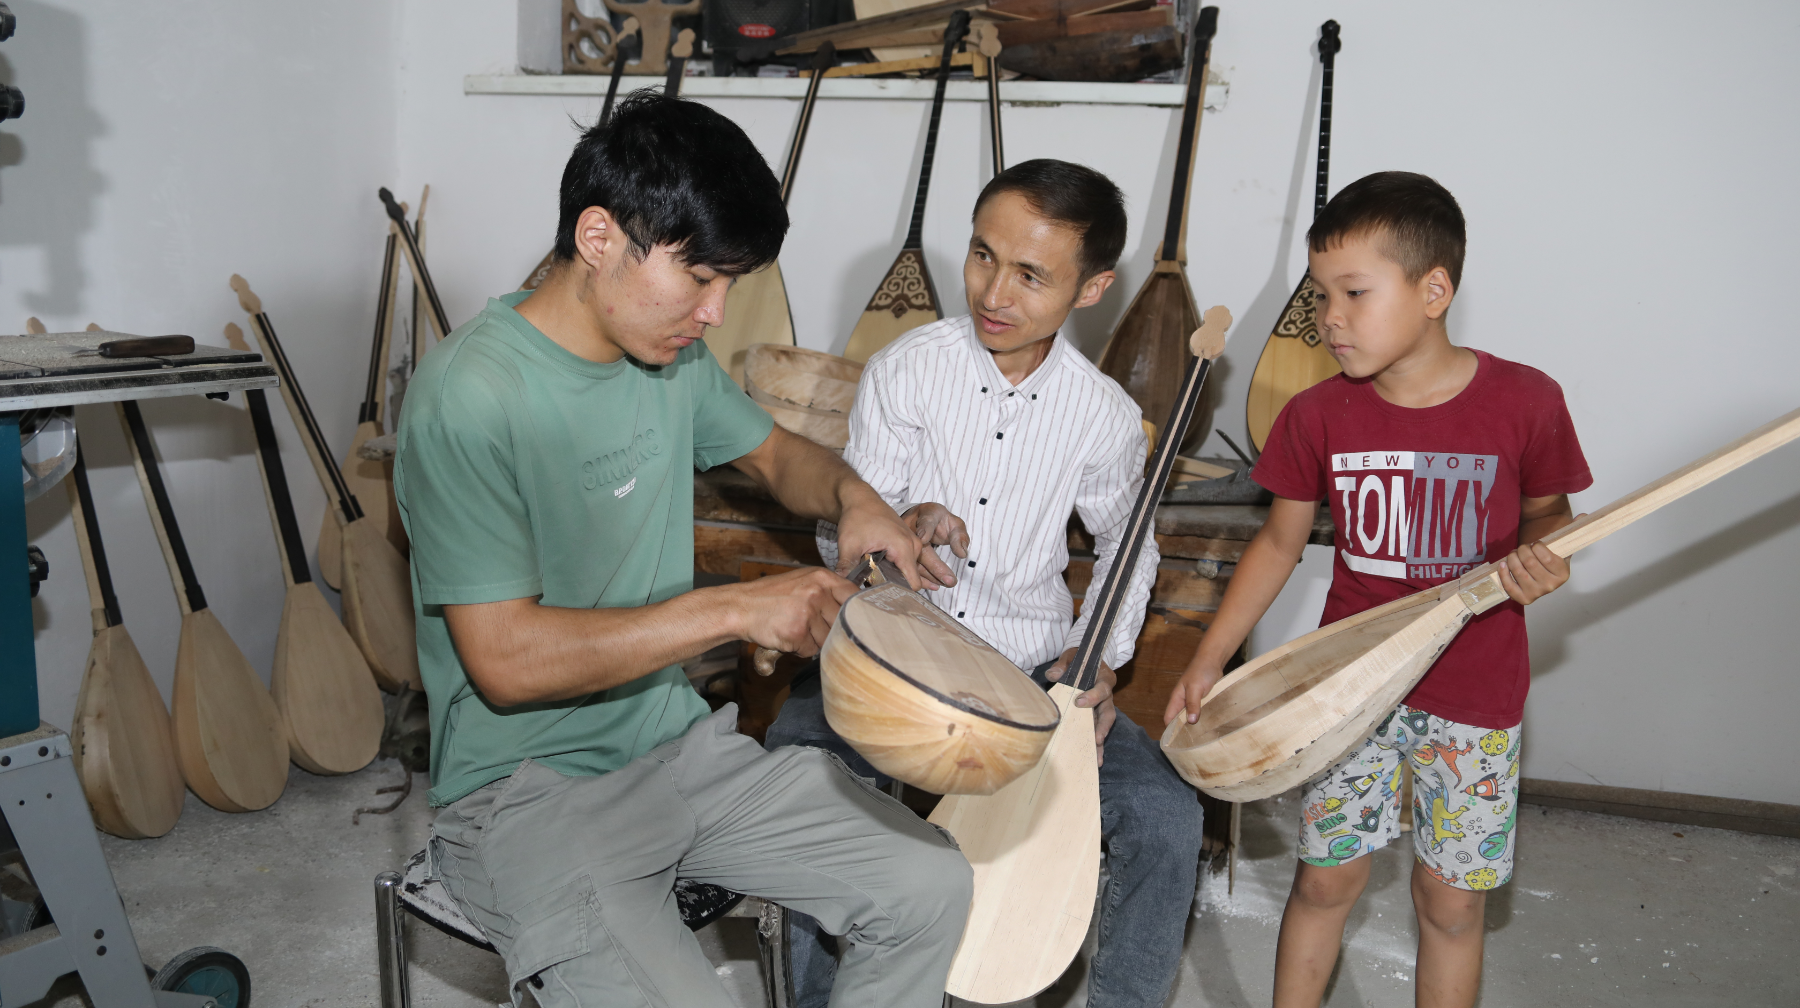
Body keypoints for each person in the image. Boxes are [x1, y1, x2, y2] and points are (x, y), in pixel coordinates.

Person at [393, 91, 971, 1008]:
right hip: (524, 790)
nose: (715, 312)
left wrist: (861, 500)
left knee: (930, 885)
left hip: (675, 747)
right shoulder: (473, 398)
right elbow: (503, 664)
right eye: (701, 276)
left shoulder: (664, 354)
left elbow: (780, 455)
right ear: (598, 238)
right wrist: (738, 608)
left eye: (730, 283)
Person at [767, 159, 1206, 1008]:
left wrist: (1096, 657)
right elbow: (841, 525)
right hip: (890, 653)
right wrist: (897, 527)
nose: (994, 291)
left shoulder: (1104, 415)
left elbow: (1127, 544)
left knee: (1163, 819)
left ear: (1092, 288)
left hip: (1027, 677)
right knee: (806, 789)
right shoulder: (907, 369)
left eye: (1032, 275)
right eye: (981, 255)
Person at [1165, 172, 1592, 1008]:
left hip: (1476, 697)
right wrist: (1211, 657)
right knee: (1325, 883)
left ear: (1435, 290)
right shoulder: (1318, 414)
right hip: (1345, 693)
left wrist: (1549, 557)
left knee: (1450, 901)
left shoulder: (1526, 402)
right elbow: (1280, 542)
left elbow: (1553, 514)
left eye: (1355, 292)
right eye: (1322, 294)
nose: (1330, 317)